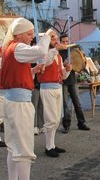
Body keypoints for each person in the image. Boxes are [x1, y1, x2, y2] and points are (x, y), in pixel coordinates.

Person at [1, 18, 50, 180]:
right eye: (29, 34)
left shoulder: (10, 48)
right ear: (20, 35)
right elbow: (41, 51)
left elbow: (16, 76)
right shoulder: (18, 47)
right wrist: (47, 36)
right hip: (19, 104)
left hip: (11, 101)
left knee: (12, 146)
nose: (32, 37)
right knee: (23, 149)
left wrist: (33, 70)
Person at [37, 29, 72, 157]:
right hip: (47, 88)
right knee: (51, 119)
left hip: (57, 86)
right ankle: (48, 146)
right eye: (52, 37)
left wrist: (67, 70)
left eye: (55, 37)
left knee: (56, 119)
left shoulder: (57, 55)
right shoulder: (43, 52)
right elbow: (45, 62)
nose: (55, 39)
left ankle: (51, 144)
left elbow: (62, 74)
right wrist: (56, 49)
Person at [59, 34, 90, 133]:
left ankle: (81, 123)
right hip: (63, 81)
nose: (65, 43)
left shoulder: (72, 50)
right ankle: (66, 125)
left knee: (78, 103)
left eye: (66, 41)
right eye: (63, 41)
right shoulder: (58, 53)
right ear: (60, 42)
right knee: (65, 105)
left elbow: (79, 65)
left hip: (72, 80)